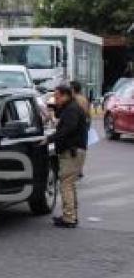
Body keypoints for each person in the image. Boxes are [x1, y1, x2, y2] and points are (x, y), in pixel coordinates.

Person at [43, 85, 88, 228]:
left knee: (66, 183)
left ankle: (69, 218)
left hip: (71, 151)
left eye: (57, 97)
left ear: (66, 96)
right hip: (73, 150)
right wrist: (53, 108)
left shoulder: (72, 109)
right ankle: (71, 215)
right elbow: (61, 118)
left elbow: (68, 129)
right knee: (69, 183)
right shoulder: (69, 108)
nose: (55, 99)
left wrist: (49, 139)